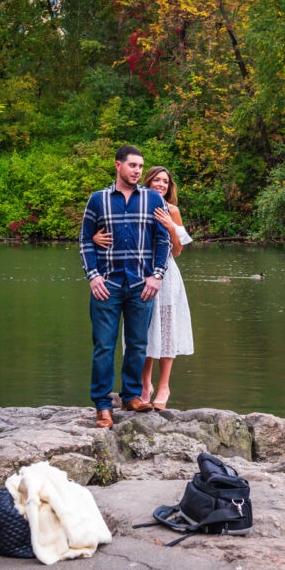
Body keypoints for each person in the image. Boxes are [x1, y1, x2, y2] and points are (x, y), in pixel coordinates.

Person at [79, 145, 171, 429]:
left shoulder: (154, 199)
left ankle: (131, 395)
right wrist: (94, 277)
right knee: (104, 346)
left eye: (141, 167)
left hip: (141, 285)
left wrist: (156, 276)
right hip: (108, 285)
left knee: (137, 344)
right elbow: (85, 241)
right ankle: (103, 405)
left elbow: (162, 241)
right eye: (133, 166)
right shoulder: (98, 200)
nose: (138, 171)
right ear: (118, 166)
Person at [94, 166, 194, 411]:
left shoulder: (172, 210)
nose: (161, 184)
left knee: (166, 329)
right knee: (143, 332)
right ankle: (144, 385)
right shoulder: (136, 205)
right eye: (157, 180)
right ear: (147, 183)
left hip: (165, 276)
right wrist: (95, 239)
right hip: (138, 275)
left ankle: (164, 386)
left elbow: (178, 251)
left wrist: (170, 226)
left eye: (165, 182)